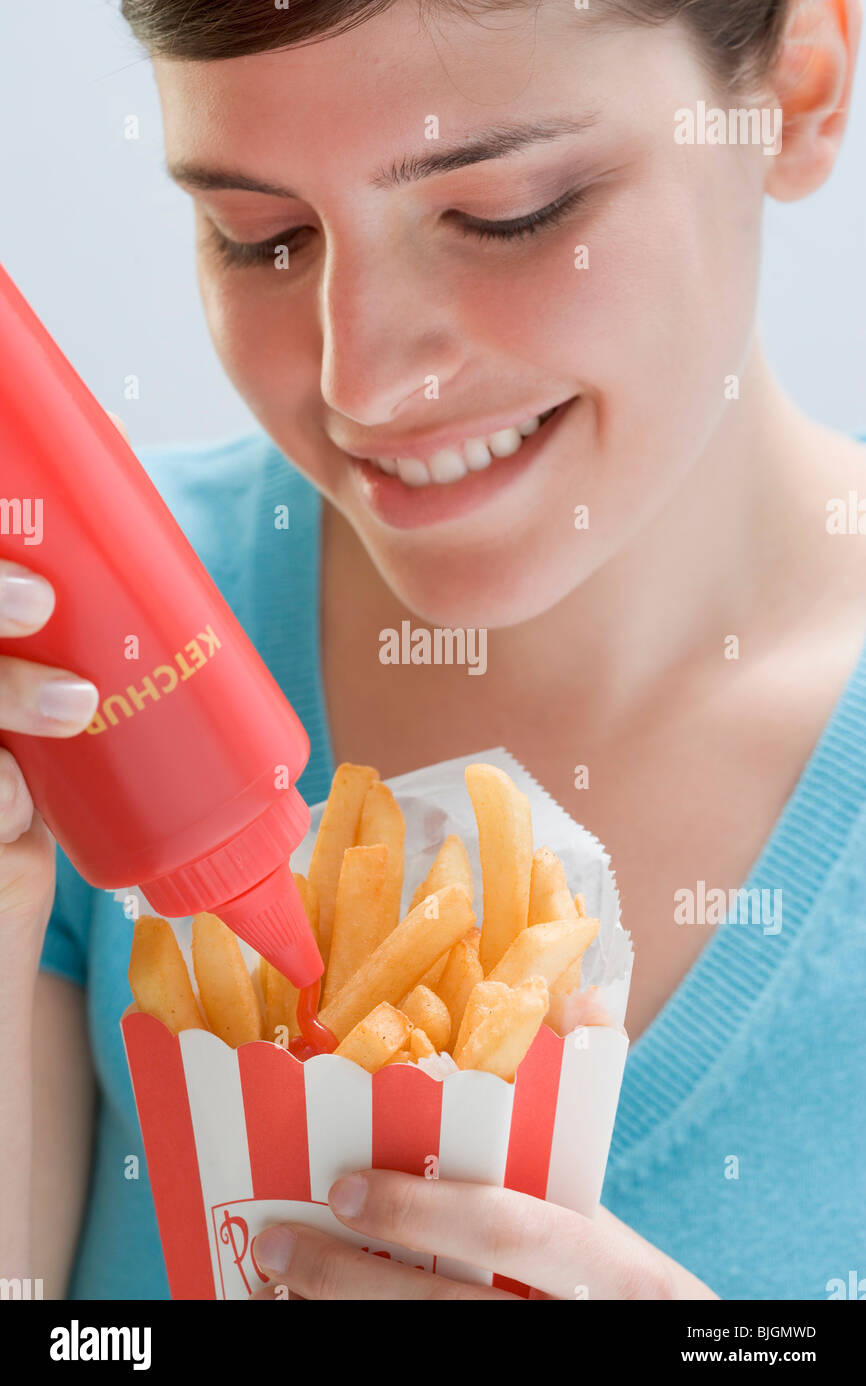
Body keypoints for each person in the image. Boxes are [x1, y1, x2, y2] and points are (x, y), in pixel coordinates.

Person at [2, 0, 864, 1301]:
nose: (365, 380)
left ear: (797, 88)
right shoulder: (73, 673)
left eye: (506, 211)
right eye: (264, 238)